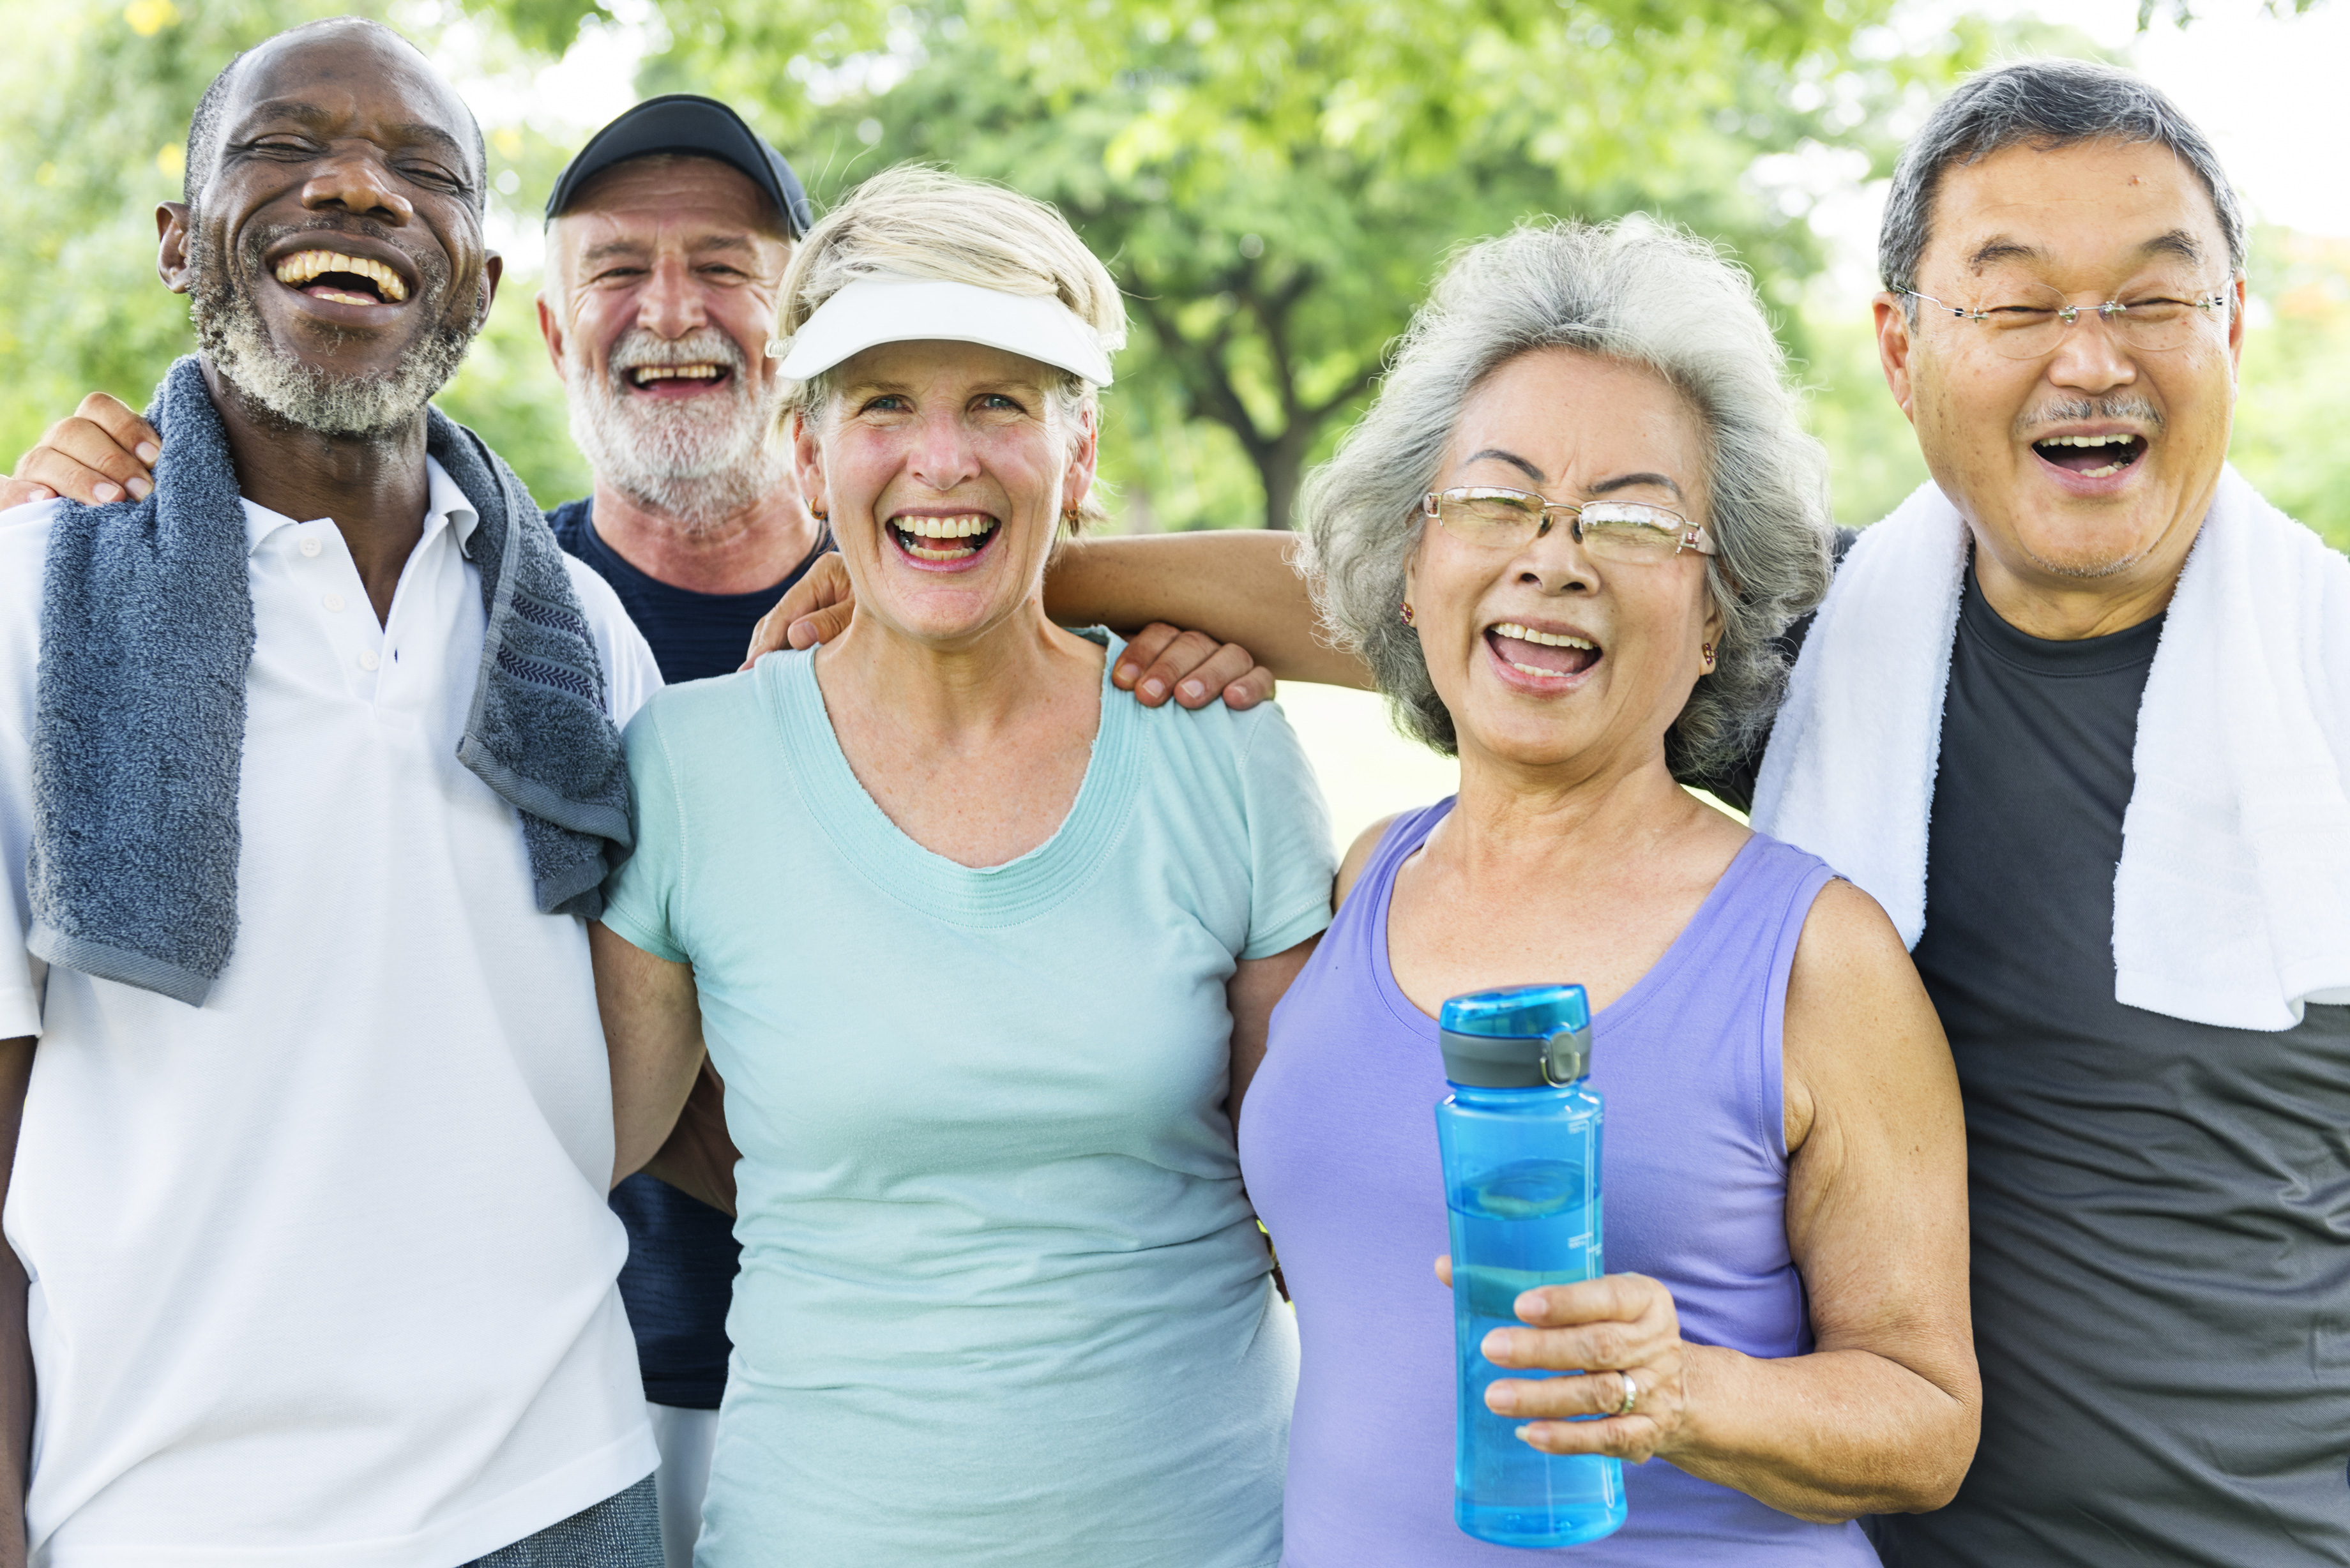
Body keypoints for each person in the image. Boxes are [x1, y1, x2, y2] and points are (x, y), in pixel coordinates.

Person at [755, 56, 2350, 1566]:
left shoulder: (2260, 725)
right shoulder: (1848, 658)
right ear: (1903, 347)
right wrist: (976, 577)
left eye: (2151, 297)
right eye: (2014, 299)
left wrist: (1685, 1390)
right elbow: (1418, 599)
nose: (2088, 353)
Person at [591, 165, 1335, 1567]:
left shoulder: (1220, 747)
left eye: (1001, 401)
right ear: (806, 457)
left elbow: (1317, 1198)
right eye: (884, 405)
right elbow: (583, 1142)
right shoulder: (690, 769)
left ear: (1080, 448)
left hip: (1208, 1533)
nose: (944, 461)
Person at [0, 19, 667, 1568]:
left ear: (481, 286)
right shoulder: (33, 605)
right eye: (284, 148)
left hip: (561, 1486)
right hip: (165, 1515)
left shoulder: (583, 633)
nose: (357, 190)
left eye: (423, 172)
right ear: (181, 241)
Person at [1243, 218, 1975, 1562]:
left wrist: (1687, 1388)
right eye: (1496, 501)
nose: (1553, 556)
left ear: (1715, 612)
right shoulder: (1366, 876)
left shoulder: (1815, 953)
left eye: (1634, 519)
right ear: (1412, 566)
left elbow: (1926, 1420)